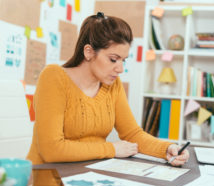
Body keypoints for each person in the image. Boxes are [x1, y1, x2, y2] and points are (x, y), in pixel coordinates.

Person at [26, 12, 189, 166]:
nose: (120, 69)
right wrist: (112, 149)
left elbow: (132, 134)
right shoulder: (54, 77)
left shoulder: (112, 85)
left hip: (87, 174)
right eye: (113, 59)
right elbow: (52, 150)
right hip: (45, 178)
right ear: (89, 52)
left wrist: (166, 149)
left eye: (123, 61)